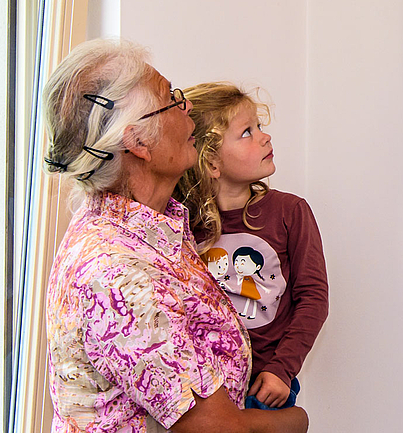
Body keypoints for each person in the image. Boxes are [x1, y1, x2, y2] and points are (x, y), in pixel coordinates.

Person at [41, 39, 309, 433]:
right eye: (172, 99)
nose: (188, 109)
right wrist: (297, 420)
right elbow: (219, 429)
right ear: (138, 143)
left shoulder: (154, 229)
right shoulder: (118, 274)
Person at [176, 82, 330, 411]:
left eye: (260, 126)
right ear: (211, 163)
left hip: (267, 385)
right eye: (247, 132)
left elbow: (313, 298)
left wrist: (282, 369)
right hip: (206, 390)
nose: (264, 137)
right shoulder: (181, 223)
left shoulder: (290, 212)